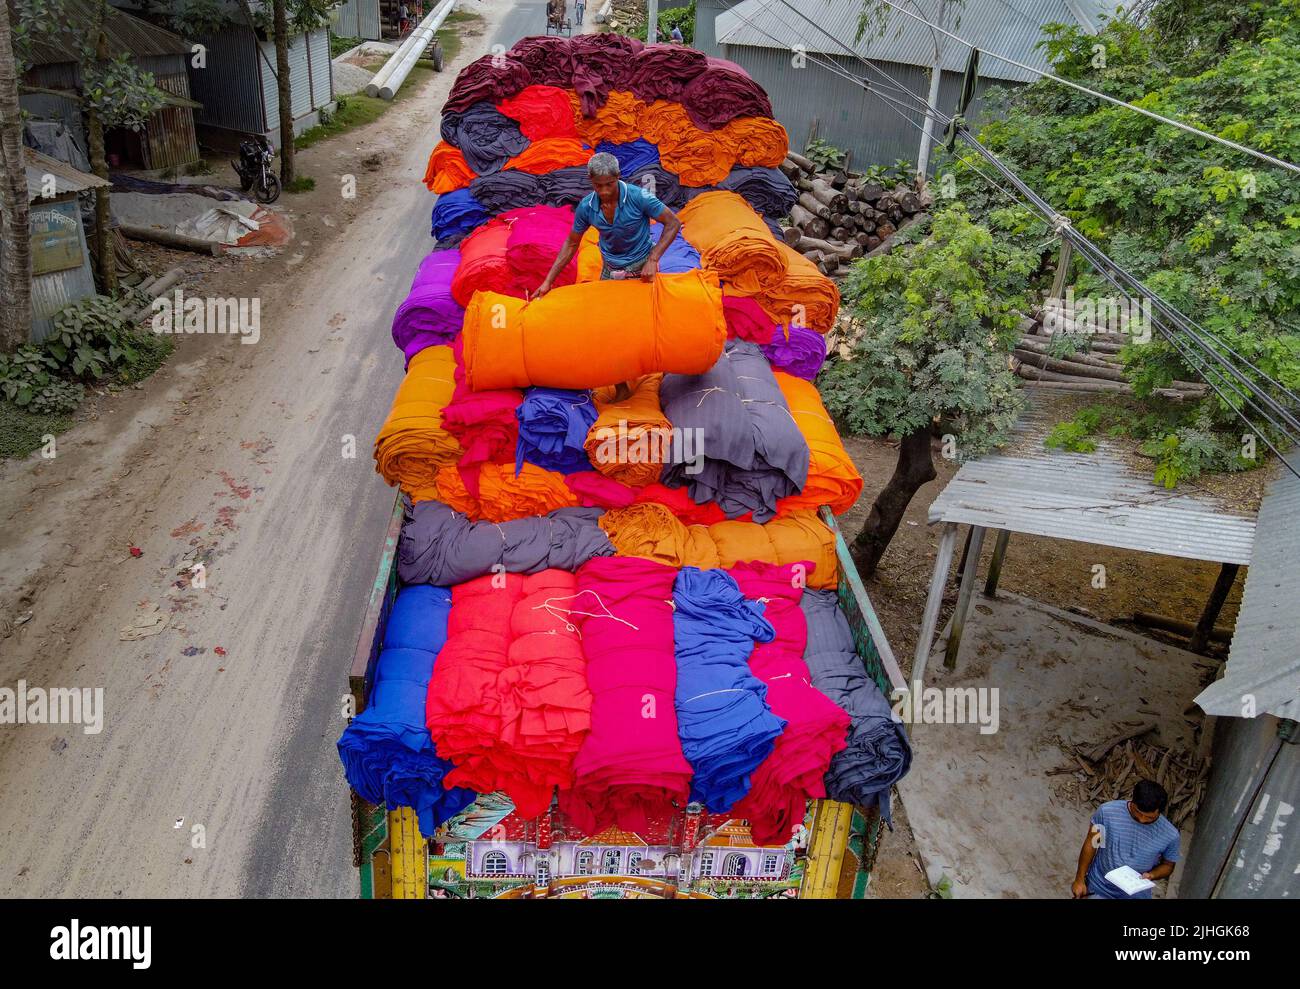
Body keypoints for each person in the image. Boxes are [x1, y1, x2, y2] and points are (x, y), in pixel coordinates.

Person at [532, 153, 682, 400]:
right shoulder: (587, 207)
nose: (603, 191)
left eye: (608, 184)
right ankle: (621, 384)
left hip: (642, 267)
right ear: (590, 181)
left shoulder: (638, 196)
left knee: (649, 324)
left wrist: (654, 259)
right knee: (608, 329)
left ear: (617, 177)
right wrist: (548, 281)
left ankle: (662, 373)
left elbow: (673, 223)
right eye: (598, 185)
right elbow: (571, 243)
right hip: (611, 270)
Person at [1072, 779, 1181, 899]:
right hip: (1099, 887)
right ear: (1132, 801)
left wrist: (1152, 875)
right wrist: (1079, 879)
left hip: (1136, 894)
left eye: (1150, 818)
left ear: (1160, 812)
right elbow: (1093, 844)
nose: (1142, 819)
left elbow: (1168, 865)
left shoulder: (1170, 835)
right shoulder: (1107, 813)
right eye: (1137, 813)